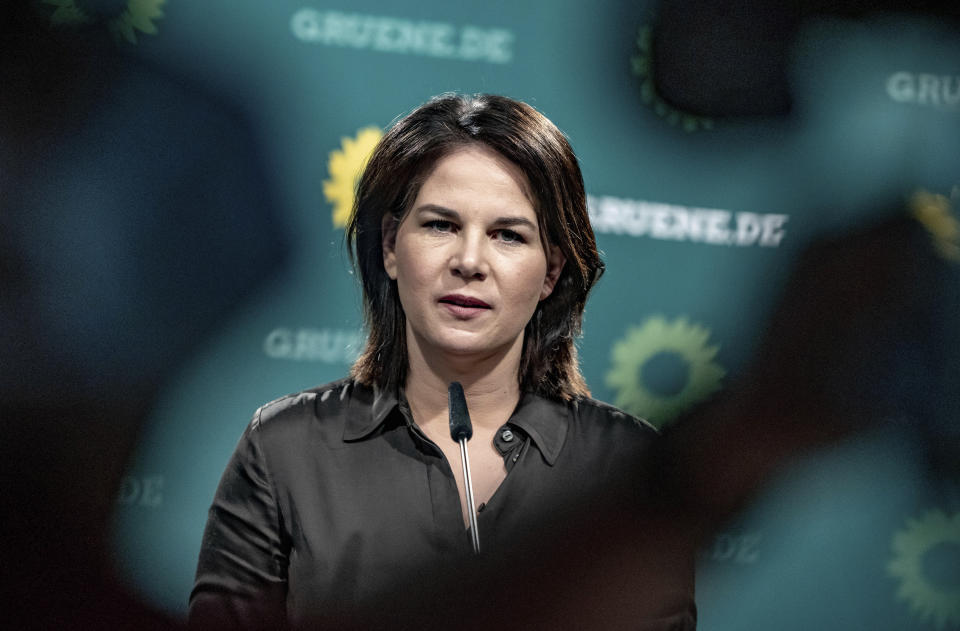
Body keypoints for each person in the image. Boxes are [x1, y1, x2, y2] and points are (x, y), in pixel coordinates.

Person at [188, 94, 694, 629]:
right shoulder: (284, 447)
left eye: (507, 235)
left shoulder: (627, 465)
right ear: (389, 245)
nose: (469, 262)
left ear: (552, 271)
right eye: (440, 226)